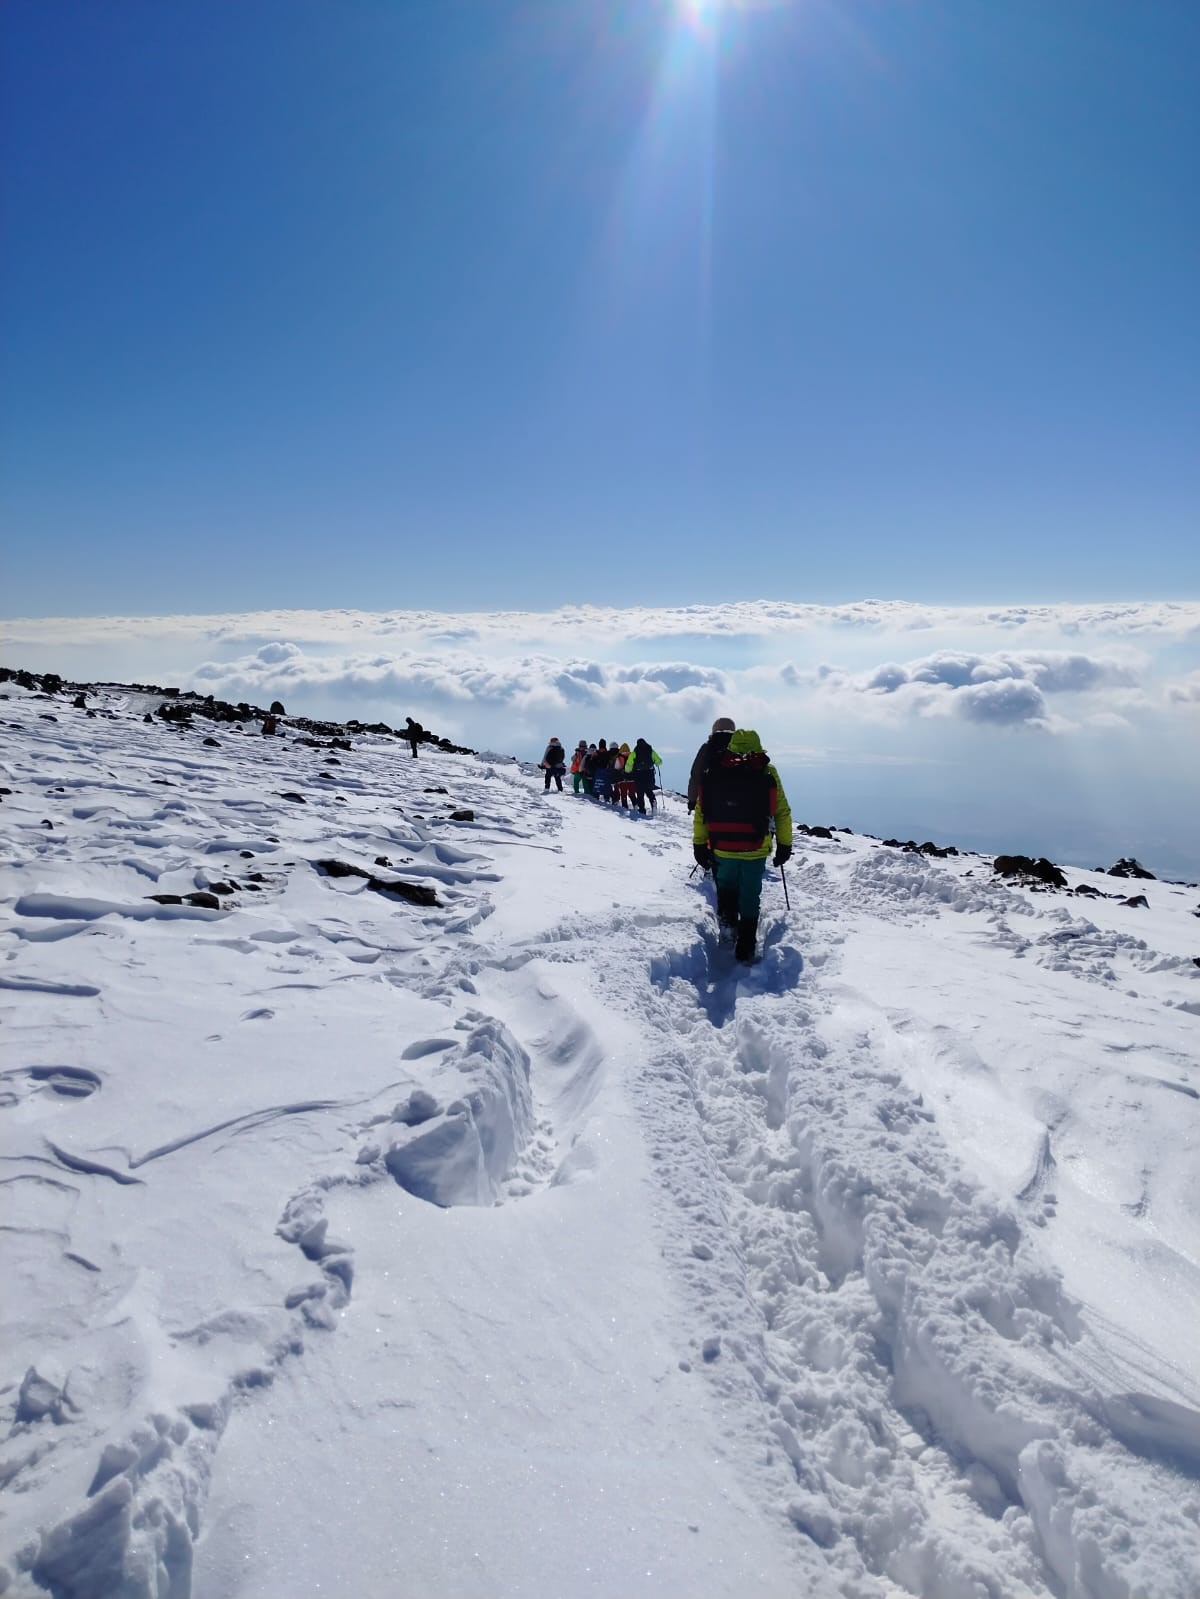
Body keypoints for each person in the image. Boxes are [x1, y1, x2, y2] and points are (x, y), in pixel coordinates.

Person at [692, 729, 792, 963]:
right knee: (750, 894)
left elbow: (701, 811)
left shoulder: (715, 771)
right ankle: (746, 944)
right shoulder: (768, 772)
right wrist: (784, 845)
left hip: (722, 846)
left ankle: (728, 926)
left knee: (726, 886)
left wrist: (699, 843)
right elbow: (782, 812)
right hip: (755, 848)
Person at [688, 718, 735, 812]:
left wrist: (692, 800)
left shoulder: (707, 747)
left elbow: (696, 774)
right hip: (739, 802)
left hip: (712, 802)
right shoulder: (738, 746)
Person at [627, 738, 662, 814]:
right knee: (649, 789)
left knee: (640, 792)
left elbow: (629, 764)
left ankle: (642, 809)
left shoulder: (635, 752)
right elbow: (659, 761)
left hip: (639, 774)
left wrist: (628, 770)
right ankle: (653, 801)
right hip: (649, 773)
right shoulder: (650, 750)